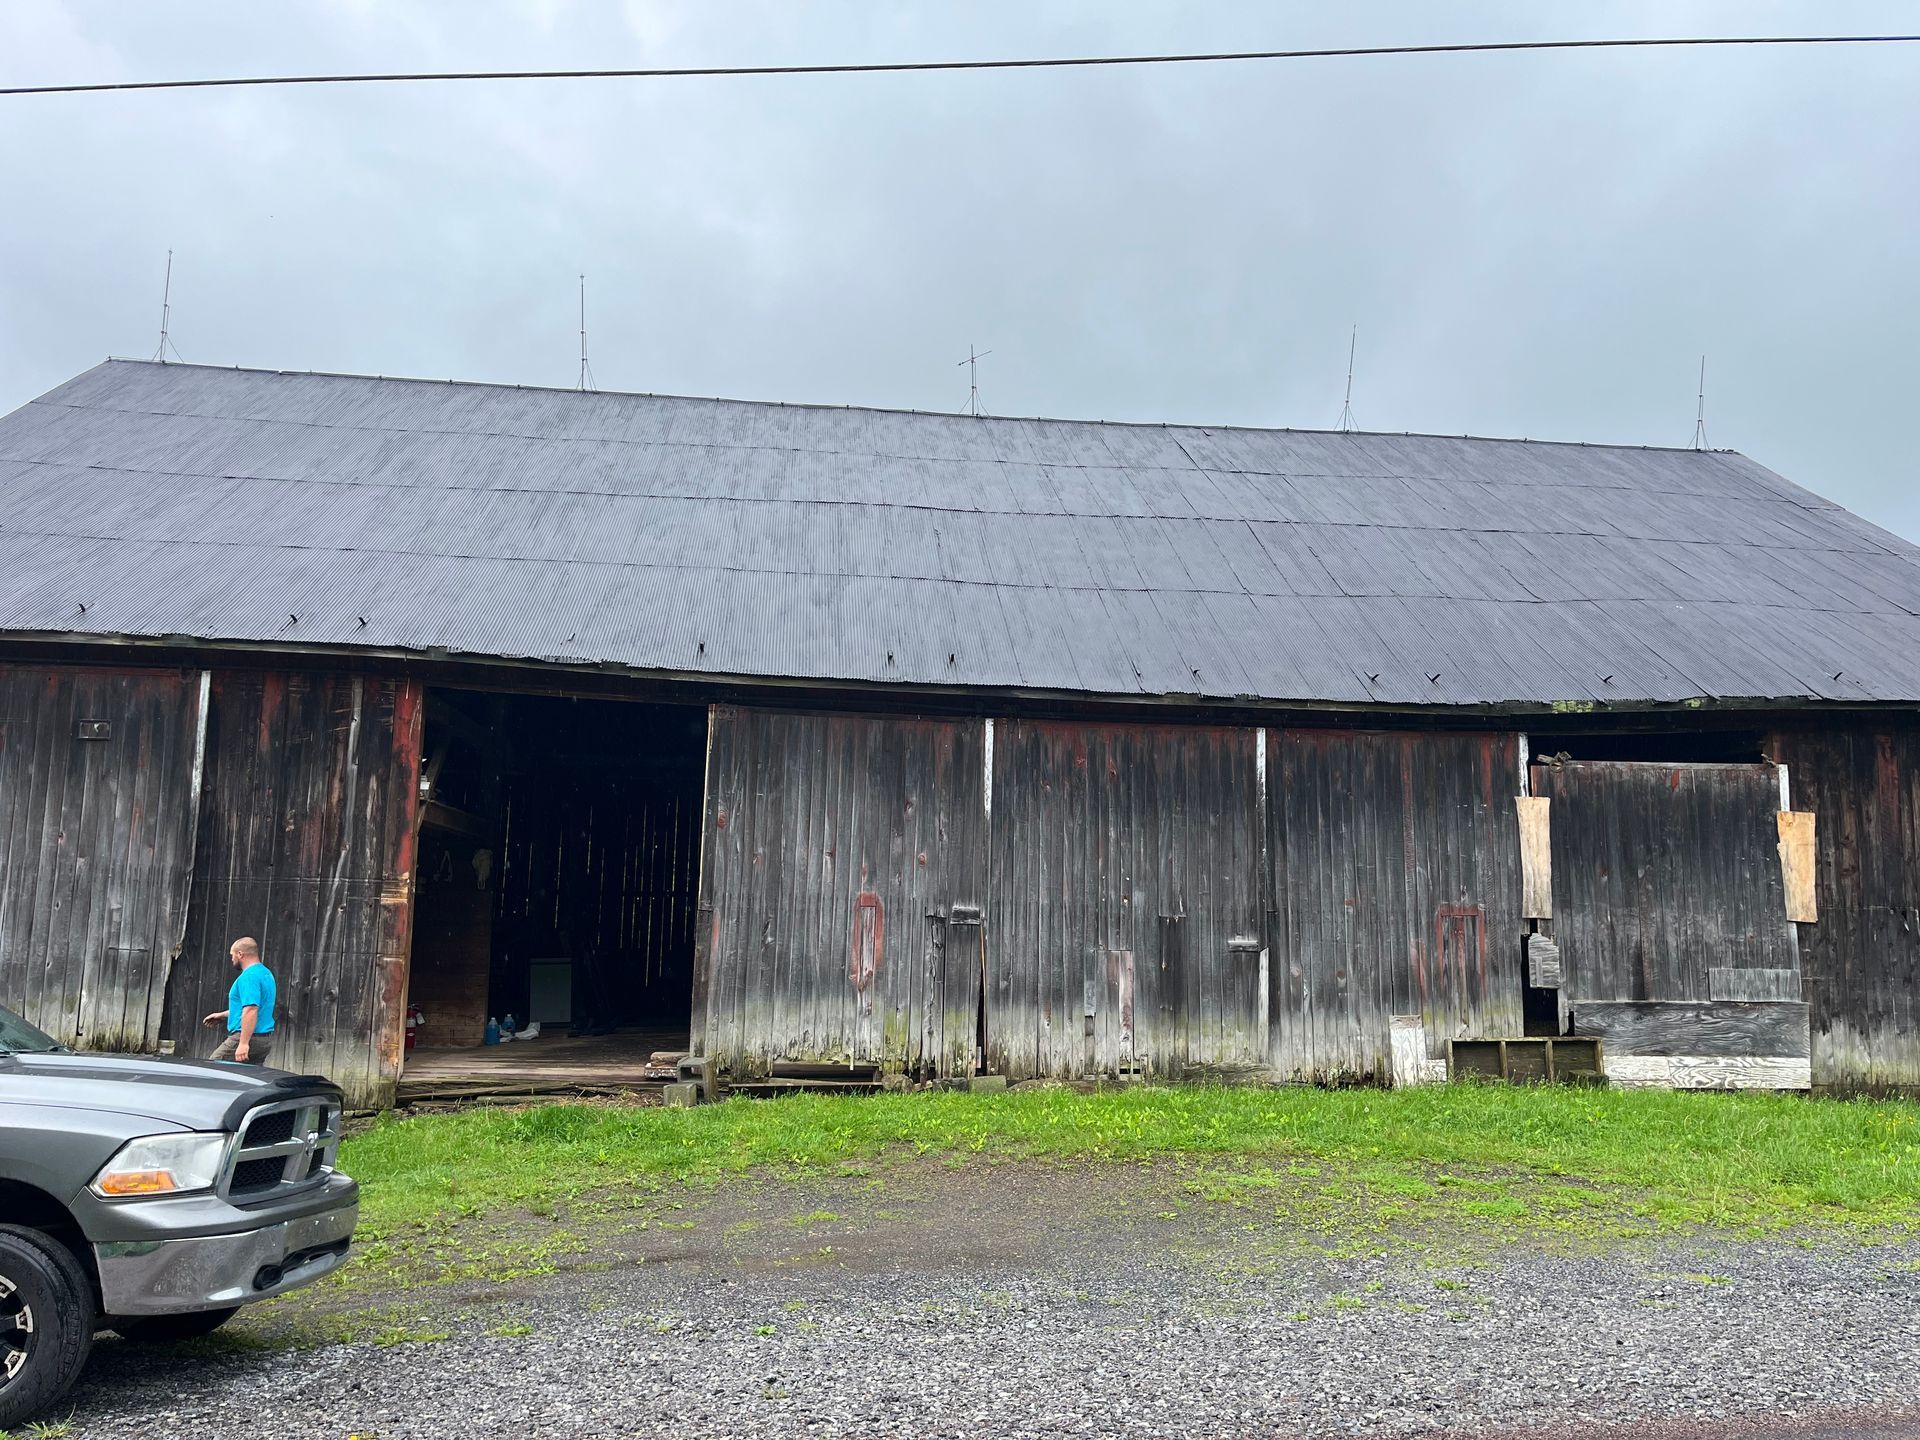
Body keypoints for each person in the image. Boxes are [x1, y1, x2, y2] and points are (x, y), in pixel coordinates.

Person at [202, 936, 277, 1065]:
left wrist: (243, 1043)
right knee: (247, 1076)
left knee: (211, 1069)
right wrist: (223, 1015)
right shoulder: (266, 973)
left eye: (232, 955)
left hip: (248, 1037)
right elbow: (258, 1007)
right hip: (264, 1040)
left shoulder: (249, 976)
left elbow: (251, 1009)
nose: (232, 959)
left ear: (240, 954)